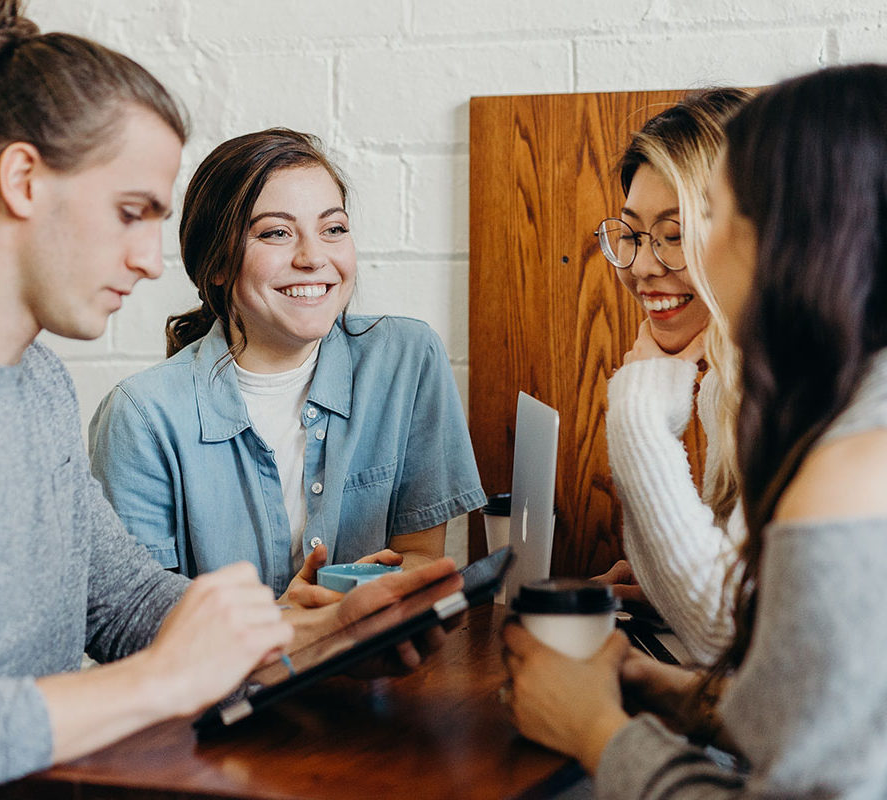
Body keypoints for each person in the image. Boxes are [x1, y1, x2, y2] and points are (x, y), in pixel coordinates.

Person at [0, 3, 458, 798]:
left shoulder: (37, 383)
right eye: (131, 213)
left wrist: (307, 630)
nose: (154, 262)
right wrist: (163, 680)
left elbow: (121, 601)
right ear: (22, 180)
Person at [504, 63, 887, 798]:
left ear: (794, 237)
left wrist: (596, 731)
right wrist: (689, 700)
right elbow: (827, 722)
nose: (661, 263)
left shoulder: (848, 468)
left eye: (709, 218)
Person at [88, 128, 486, 603]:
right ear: (216, 263)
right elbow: (138, 621)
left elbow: (421, 556)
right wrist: (290, 623)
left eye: (333, 229)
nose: (314, 257)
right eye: (276, 233)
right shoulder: (141, 416)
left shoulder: (406, 359)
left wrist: (365, 595)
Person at [591, 89, 752, 664]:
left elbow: (725, 634)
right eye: (632, 234)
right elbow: (739, 610)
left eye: (675, 234)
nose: (641, 266)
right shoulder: (729, 382)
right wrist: (664, 586)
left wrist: (638, 411)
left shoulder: (797, 390)